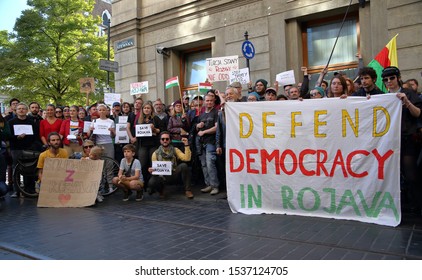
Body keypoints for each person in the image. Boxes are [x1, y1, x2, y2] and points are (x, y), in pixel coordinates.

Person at [382, 66, 422, 215]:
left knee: (411, 174)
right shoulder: (383, 96)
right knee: (393, 175)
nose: (389, 82)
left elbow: (418, 114)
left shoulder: (409, 93)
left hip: (407, 139)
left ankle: (418, 204)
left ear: (398, 77)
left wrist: (406, 102)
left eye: (391, 78)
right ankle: (402, 205)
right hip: (389, 141)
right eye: (385, 80)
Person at [8, 103, 42, 197]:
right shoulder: (11, 122)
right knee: (16, 169)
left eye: (23, 108)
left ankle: (29, 189)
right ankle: (16, 191)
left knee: (29, 168)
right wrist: (17, 137)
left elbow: (36, 136)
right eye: (19, 109)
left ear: (27, 110)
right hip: (16, 148)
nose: (21, 110)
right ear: (16, 110)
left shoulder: (32, 122)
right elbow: (8, 136)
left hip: (29, 148)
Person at [147, 132, 193, 199]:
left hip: (174, 173)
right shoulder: (155, 153)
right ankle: (161, 191)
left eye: (167, 139)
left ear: (170, 140)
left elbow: (187, 158)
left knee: (184, 166)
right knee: (152, 182)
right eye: (163, 139)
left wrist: (186, 145)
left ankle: (188, 190)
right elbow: (155, 168)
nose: (165, 140)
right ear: (160, 141)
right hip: (163, 176)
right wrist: (151, 170)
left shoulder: (175, 150)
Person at [196, 94, 219, 195]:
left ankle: (215, 186)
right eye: (207, 100)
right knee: (204, 165)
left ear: (214, 101)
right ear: (204, 102)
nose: (209, 102)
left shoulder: (216, 113)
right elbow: (197, 128)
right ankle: (208, 184)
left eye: (211, 101)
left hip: (211, 142)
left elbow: (216, 128)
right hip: (201, 143)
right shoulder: (201, 115)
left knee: (210, 164)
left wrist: (204, 132)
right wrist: (198, 126)